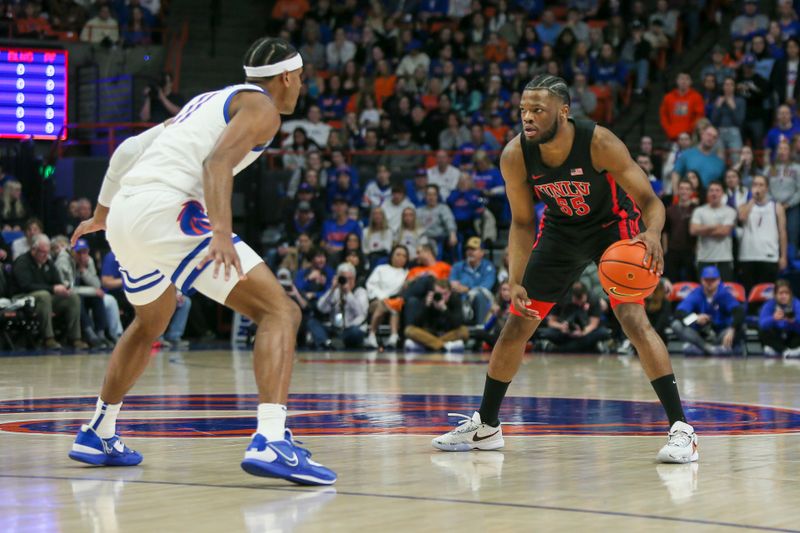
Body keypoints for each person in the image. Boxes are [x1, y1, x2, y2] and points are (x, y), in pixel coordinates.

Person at [68, 37, 335, 484]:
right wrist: (219, 232)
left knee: (151, 321)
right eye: (302, 78)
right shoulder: (263, 108)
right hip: (168, 209)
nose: (301, 86)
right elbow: (215, 165)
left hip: (128, 213)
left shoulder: (205, 102)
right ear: (288, 76)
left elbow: (129, 149)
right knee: (279, 311)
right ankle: (271, 438)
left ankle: (99, 430)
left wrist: (102, 214)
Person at [433, 74, 698, 464]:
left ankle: (682, 429)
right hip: (560, 231)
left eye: (538, 110)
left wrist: (654, 233)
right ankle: (486, 426)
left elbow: (649, 200)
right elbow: (522, 222)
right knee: (516, 324)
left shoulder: (599, 142)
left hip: (612, 226)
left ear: (564, 111)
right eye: (524, 110)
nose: (528, 118)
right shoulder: (515, 155)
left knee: (632, 318)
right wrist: (515, 278)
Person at [12, 234, 87, 350]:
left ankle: (75, 338)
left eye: (47, 252)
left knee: (73, 298)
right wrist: (52, 289)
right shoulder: (22, 262)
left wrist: (63, 288)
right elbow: (25, 286)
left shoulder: (48, 262)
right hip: (23, 298)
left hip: (45, 299)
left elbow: (56, 281)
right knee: (44, 295)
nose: (46, 255)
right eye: (42, 252)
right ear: (33, 250)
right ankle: (48, 338)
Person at [671, 266, 744, 355]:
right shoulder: (696, 293)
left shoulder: (724, 294)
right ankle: (708, 349)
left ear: (719, 280)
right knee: (676, 325)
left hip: (720, 334)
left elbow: (739, 311)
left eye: (713, 280)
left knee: (741, 327)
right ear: (701, 280)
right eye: (706, 280)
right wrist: (695, 318)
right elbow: (679, 312)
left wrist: (732, 328)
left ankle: (703, 349)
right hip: (699, 336)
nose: (709, 283)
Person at [738, 175, 787, 292]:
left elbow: (782, 233)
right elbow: (742, 218)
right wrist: (752, 201)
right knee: (749, 295)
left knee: (766, 295)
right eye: (755, 185)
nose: (757, 188)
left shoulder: (777, 207)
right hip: (747, 256)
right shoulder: (744, 206)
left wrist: (783, 256)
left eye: (761, 185)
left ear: (767, 188)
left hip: (769, 257)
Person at [536, 281, 611, 353]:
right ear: (571, 296)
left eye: (581, 301)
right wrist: (561, 326)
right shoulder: (562, 298)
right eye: (576, 301)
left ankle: (557, 349)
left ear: (585, 294)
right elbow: (551, 322)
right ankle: (584, 347)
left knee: (603, 332)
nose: (579, 304)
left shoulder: (593, 298)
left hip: (585, 332)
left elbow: (593, 324)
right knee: (544, 332)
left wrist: (582, 332)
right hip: (564, 332)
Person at [306, 262, 368, 349]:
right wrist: (332, 289)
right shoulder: (335, 291)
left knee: (356, 332)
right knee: (312, 322)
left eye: (350, 278)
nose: (347, 281)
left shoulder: (360, 292)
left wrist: (348, 293)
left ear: (354, 278)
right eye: (344, 279)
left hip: (351, 328)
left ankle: (329, 342)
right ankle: (329, 342)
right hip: (334, 329)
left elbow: (361, 314)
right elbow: (321, 308)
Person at [404, 279, 469, 352]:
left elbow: (457, 323)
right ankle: (443, 346)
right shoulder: (428, 299)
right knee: (409, 330)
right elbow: (416, 323)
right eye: (439, 294)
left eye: (445, 294)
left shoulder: (455, 300)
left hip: (447, 334)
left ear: (450, 292)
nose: (442, 297)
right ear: (433, 292)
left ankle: (429, 345)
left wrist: (445, 309)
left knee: (464, 331)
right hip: (429, 333)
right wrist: (426, 306)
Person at [689, 181, 737, 281]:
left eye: (717, 190)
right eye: (711, 190)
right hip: (704, 259)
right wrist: (715, 226)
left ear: (722, 194)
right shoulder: (699, 211)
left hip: (724, 259)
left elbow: (724, 232)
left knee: (724, 292)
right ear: (707, 193)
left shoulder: (730, 211)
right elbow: (693, 230)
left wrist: (702, 229)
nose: (714, 193)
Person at [364, 245, 409, 349]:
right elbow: (370, 285)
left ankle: (393, 337)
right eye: (398, 254)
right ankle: (372, 335)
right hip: (376, 301)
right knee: (382, 304)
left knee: (394, 305)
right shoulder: (381, 269)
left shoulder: (406, 273)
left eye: (404, 256)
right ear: (392, 256)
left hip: (395, 302)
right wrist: (383, 297)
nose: (401, 258)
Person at [449, 237, 496, 325]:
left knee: (480, 295)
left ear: (482, 252)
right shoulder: (457, 266)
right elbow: (452, 283)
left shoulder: (488, 267)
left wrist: (467, 289)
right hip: (461, 299)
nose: (470, 252)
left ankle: (481, 327)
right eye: (468, 249)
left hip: (479, 300)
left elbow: (486, 287)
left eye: (473, 249)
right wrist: (454, 286)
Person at [758, 279, 800, 357]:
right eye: (780, 293)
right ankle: (785, 351)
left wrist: (794, 321)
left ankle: (779, 351)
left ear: (790, 294)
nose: (784, 296)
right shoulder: (769, 304)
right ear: (775, 294)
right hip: (777, 336)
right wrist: (773, 318)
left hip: (792, 336)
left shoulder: (796, 303)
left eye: (786, 293)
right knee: (763, 332)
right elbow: (762, 324)